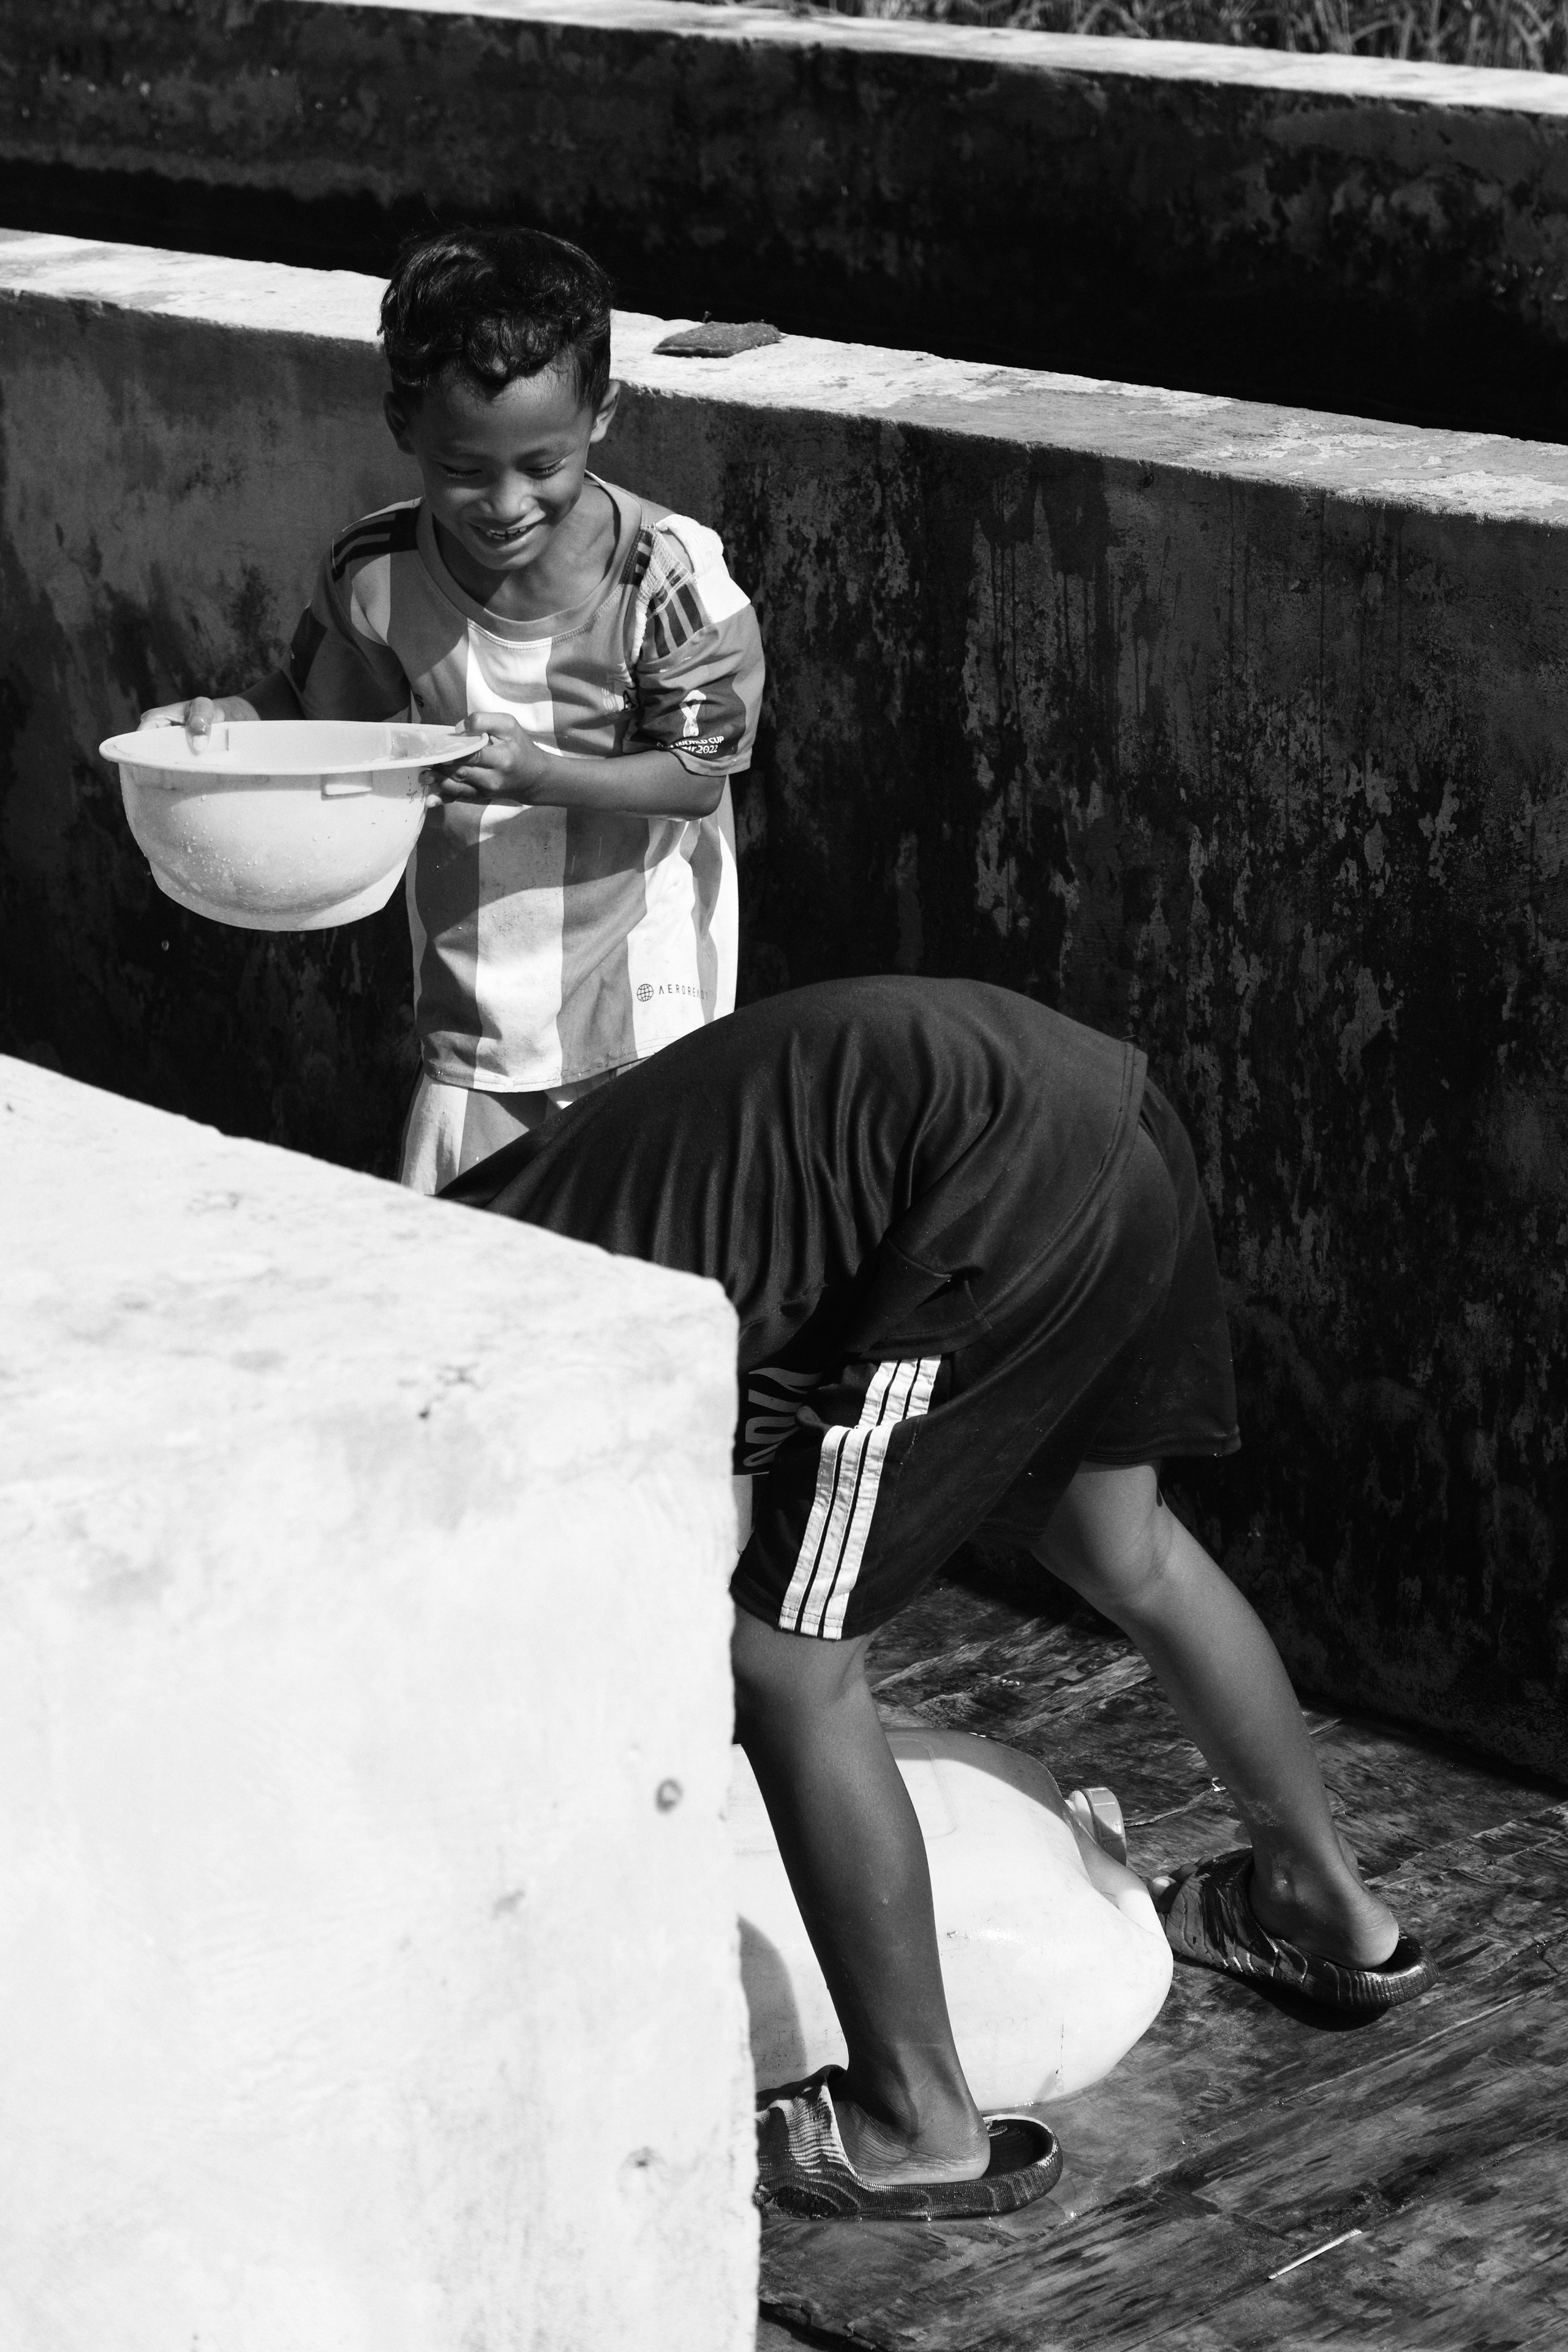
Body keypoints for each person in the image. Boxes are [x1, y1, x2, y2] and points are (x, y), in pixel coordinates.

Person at [445, 974, 1433, 2220]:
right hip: (1098, 1108)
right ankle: (1321, 1908)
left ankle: (917, 2121)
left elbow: (696, 1552)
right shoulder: (533, 1214)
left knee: (784, 1664)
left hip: (984, 1183)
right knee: (1120, 1543)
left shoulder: (516, 1308)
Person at [138, 225, 764, 1193]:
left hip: (650, 1003)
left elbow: (696, 775)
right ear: (404, 429)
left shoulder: (668, 579)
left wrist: (540, 773)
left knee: (645, 1249)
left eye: (542, 467)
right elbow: (315, 715)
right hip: (475, 1013)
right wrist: (224, 719)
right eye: (464, 470)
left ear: (603, 415)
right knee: (473, 1256)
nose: (505, 503)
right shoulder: (376, 575)